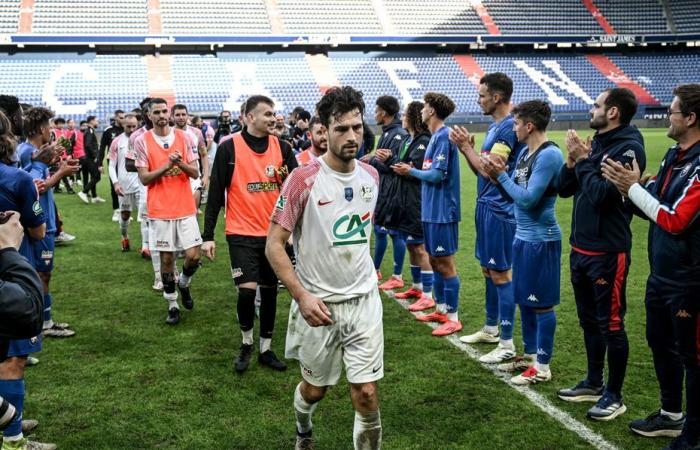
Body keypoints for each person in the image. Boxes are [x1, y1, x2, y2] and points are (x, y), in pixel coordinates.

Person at [266, 86, 383, 450]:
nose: (352, 137)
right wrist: (301, 295)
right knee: (316, 390)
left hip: (363, 301)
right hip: (318, 307)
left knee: (365, 393)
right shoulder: (303, 179)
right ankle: (303, 429)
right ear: (324, 130)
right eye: (341, 129)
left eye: (357, 128)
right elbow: (274, 244)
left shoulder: (371, 177)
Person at [601, 84, 700, 448]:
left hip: (689, 279)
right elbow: (653, 203)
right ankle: (671, 415)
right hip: (662, 273)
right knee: (660, 342)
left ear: (689, 118)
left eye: (672, 111)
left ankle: (691, 434)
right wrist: (629, 191)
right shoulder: (674, 154)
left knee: (693, 356)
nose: (666, 117)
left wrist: (634, 189)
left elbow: (675, 220)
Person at [556, 87, 646, 421]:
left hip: (608, 251)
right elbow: (564, 189)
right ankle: (594, 382)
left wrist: (583, 161)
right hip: (580, 249)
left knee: (611, 324)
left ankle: (614, 395)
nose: (591, 109)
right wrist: (571, 161)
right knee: (588, 321)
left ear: (613, 113)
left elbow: (600, 197)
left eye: (596, 105)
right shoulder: (599, 145)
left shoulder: (628, 148)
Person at [202, 95, 297, 374]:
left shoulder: (282, 147)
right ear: (249, 117)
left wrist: (291, 229)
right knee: (247, 292)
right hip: (240, 233)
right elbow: (217, 192)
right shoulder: (229, 146)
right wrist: (208, 235)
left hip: (274, 236)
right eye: (266, 114)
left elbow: (294, 189)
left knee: (269, 293)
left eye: (274, 114)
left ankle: (266, 349)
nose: (272, 118)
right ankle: (246, 343)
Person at [481, 100, 563, 384]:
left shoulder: (549, 155)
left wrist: (501, 175)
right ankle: (528, 357)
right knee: (525, 300)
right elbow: (513, 192)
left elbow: (528, 199)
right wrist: (496, 175)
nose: (512, 128)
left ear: (529, 126)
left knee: (541, 305)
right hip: (522, 237)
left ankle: (542, 366)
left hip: (542, 239)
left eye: (516, 124)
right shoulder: (526, 153)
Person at [449, 72, 525, 363]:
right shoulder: (495, 128)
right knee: (487, 271)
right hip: (486, 207)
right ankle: (491, 329)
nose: (478, 100)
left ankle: (506, 344)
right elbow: (481, 171)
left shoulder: (507, 129)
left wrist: (466, 148)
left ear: (496, 97)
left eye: (481, 95)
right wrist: (468, 151)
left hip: (500, 210)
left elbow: (493, 174)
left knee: (501, 274)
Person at [0, 110, 56, 450]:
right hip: (11, 279)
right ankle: (13, 438)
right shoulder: (15, 179)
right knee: (13, 360)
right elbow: (37, 231)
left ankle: (9, 417)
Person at [392, 92, 462, 337]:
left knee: (445, 264)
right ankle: (442, 309)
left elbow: (436, 175)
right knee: (434, 261)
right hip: (431, 210)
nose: (421, 111)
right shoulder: (435, 137)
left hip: (443, 211)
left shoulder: (444, 137)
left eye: (425, 107)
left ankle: (453, 317)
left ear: (431, 111)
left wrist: (410, 171)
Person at [134, 98, 202, 325]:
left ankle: (183, 283)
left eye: (165, 111)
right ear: (149, 116)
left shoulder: (185, 138)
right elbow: (144, 178)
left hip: (184, 206)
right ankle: (172, 304)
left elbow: (195, 173)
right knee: (166, 259)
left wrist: (180, 163)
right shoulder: (142, 141)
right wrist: (166, 165)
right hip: (160, 208)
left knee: (193, 255)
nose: (162, 115)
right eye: (157, 112)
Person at [16, 107, 79, 339]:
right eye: (49, 126)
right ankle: (39, 324)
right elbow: (34, 187)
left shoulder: (32, 150)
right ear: (42, 128)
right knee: (39, 273)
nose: (51, 130)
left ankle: (45, 320)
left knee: (43, 273)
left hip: (45, 220)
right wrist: (60, 173)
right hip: (37, 221)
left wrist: (57, 167)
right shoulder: (25, 152)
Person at [381, 101, 434, 309]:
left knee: (420, 247)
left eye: (405, 115)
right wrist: (389, 160)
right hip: (403, 198)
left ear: (413, 118)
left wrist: (392, 159)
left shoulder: (423, 140)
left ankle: (428, 295)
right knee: (412, 245)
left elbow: (413, 168)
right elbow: (401, 165)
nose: (402, 118)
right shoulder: (408, 139)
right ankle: (417, 285)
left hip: (416, 199)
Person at [367, 96, 409, 291]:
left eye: (376, 110)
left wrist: (375, 160)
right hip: (383, 190)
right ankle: (375, 269)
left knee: (394, 233)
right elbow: (381, 160)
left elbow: (392, 166)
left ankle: (397, 274)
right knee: (380, 230)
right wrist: (377, 159)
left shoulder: (399, 134)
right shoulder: (387, 133)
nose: (374, 113)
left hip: (393, 191)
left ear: (384, 112)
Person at [107, 114, 141, 252]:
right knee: (125, 215)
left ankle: (147, 246)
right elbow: (111, 165)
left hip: (141, 184)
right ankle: (124, 237)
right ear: (123, 125)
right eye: (129, 126)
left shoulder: (142, 140)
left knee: (146, 217)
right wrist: (115, 183)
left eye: (134, 126)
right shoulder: (117, 141)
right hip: (124, 186)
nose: (132, 129)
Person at [171, 104, 209, 210]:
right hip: (175, 176)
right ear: (172, 117)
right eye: (177, 115)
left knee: (193, 210)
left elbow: (204, 154)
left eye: (183, 114)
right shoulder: (169, 133)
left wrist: (205, 176)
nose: (181, 117)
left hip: (194, 175)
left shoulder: (196, 132)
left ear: (187, 116)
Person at [100, 109, 125, 221]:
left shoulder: (127, 130)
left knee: (125, 185)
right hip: (113, 162)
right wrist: (99, 163)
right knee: (114, 185)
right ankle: (116, 210)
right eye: (120, 117)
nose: (122, 120)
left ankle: (124, 210)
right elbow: (102, 148)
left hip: (126, 162)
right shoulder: (108, 131)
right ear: (115, 118)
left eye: (124, 117)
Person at [77, 115, 104, 204]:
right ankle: (84, 192)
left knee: (94, 176)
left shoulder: (90, 131)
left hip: (88, 158)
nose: (98, 122)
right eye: (96, 120)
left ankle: (94, 197)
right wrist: (95, 155)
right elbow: (88, 145)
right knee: (97, 177)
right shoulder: (89, 131)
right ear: (91, 121)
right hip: (90, 159)